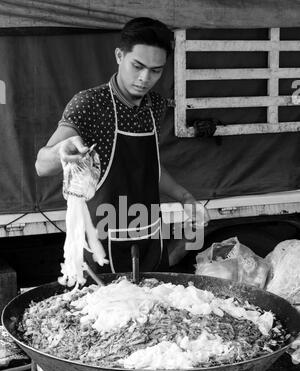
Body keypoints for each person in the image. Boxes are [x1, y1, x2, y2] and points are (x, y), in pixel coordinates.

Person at [36, 17, 209, 274]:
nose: (144, 78)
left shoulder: (156, 106)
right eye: (137, 66)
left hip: (149, 236)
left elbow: (148, 167)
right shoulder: (90, 104)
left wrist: (184, 196)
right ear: (119, 56)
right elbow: (41, 165)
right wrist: (60, 153)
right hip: (101, 244)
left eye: (156, 70)